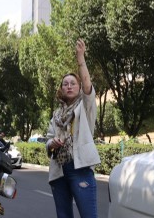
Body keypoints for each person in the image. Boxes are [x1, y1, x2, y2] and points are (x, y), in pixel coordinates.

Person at [46, 39, 100, 218]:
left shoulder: (85, 107)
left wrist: (80, 59)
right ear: (61, 89)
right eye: (65, 84)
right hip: (58, 171)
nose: (69, 86)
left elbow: (87, 85)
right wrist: (51, 144)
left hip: (81, 169)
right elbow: (48, 139)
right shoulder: (56, 114)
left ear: (79, 87)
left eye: (72, 83)